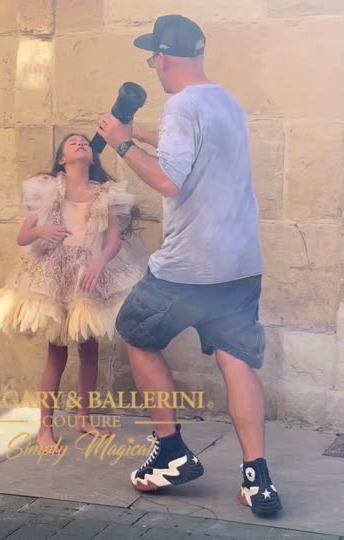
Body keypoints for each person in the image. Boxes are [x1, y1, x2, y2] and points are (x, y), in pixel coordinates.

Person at [96, 15, 282, 516]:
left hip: (189, 266)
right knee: (235, 358)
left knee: (136, 331)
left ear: (162, 58)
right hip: (239, 264)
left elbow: (168, 179)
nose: (152, 66)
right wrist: (133, 130)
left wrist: (122, 143)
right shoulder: (225, 102)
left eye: (151, 58)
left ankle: (171, 451)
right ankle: (258, 478)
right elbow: (187, 145)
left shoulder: (180, 105)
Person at [0, 133, 144, 454]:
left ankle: (83, 417)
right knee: (56, 352)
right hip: (53, 274)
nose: (80, 143)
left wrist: (100, 261)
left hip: (87, 274)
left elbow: (113, 241)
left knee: (89, 348)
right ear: (62, 159)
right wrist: (42, 230)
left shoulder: (105, 194)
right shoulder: (46, 190)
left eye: (84, 142)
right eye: (72, 142)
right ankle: (45, 428)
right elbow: (23, 236)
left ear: (92, 157)